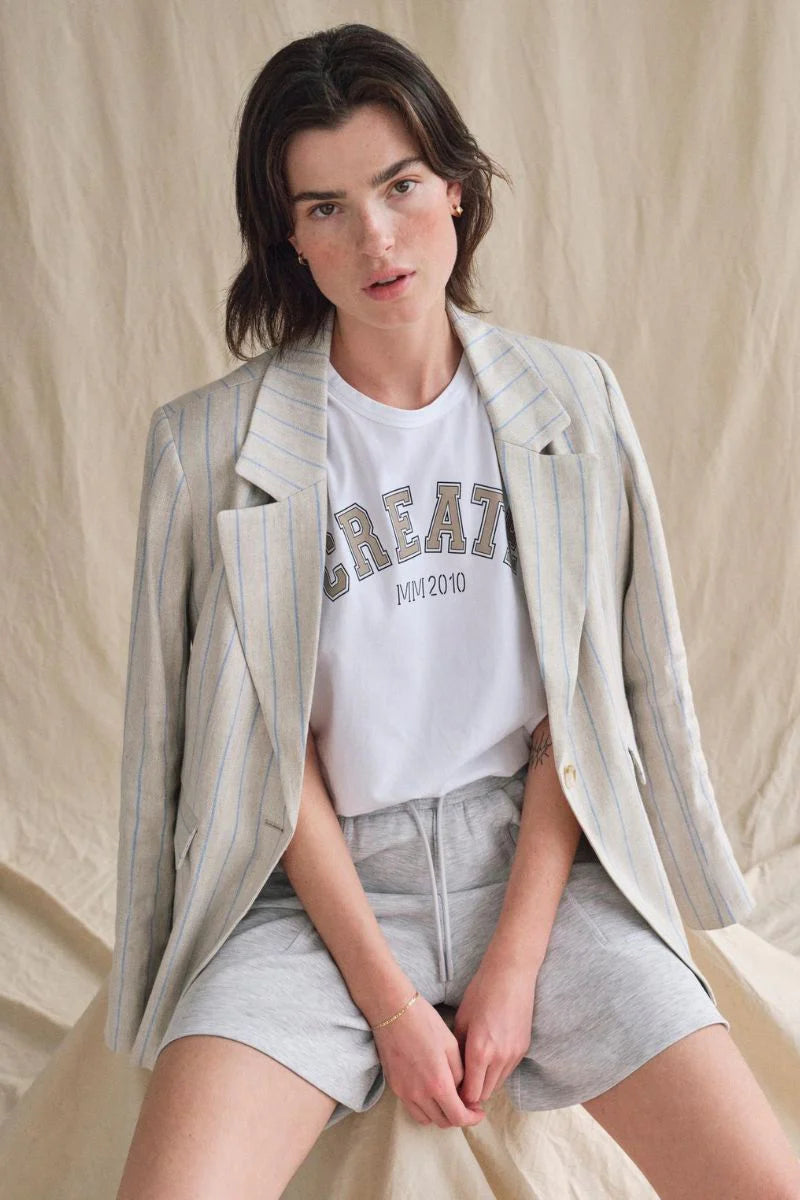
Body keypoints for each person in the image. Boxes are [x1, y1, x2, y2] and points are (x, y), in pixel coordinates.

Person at [109, 22, 800, 1200]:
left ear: (458, 195)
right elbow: (257, 760)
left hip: (537, 865)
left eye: (400, 186)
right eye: (324, 207)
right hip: (307, 893)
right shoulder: (209, 449)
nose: (374, 237)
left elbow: (578, 716)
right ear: (289, 238)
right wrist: (390, 1002)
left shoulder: (568, 402)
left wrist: (515, 963)